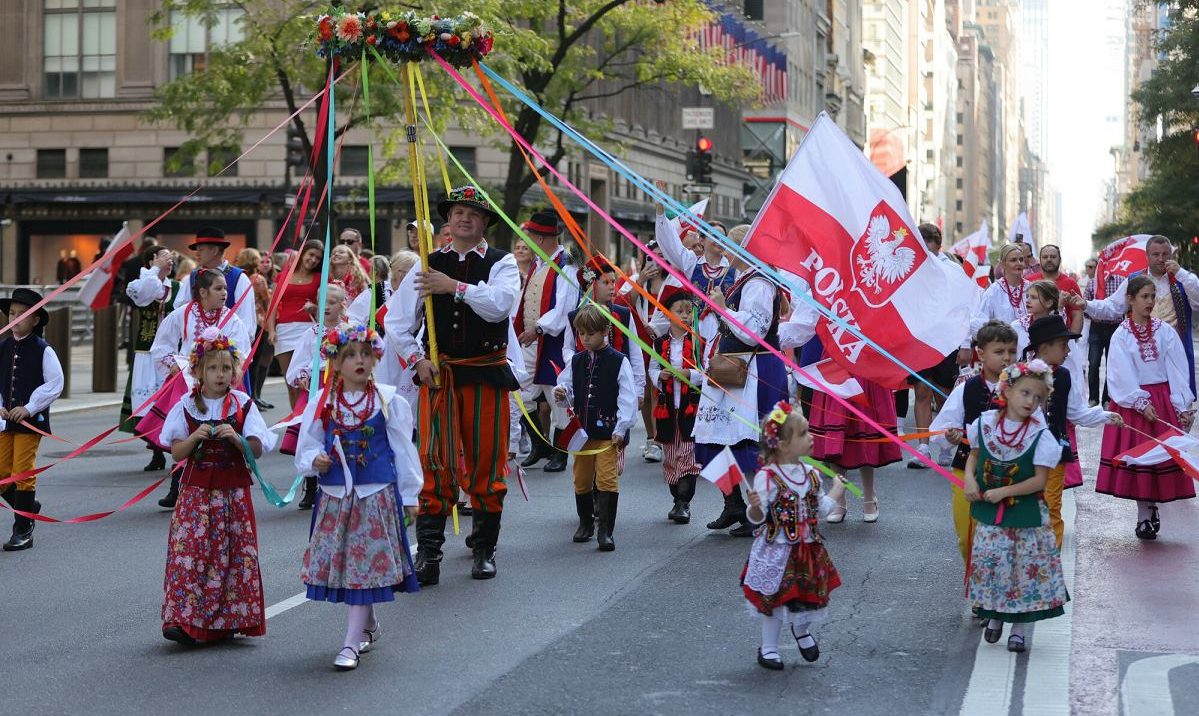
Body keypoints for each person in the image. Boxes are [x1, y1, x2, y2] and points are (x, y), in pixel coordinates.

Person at [387, 185, 521, 583]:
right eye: (458, 212)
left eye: (474, 214)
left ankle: (483, 550)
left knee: (486, 462)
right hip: (441, 377)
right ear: (448, 219)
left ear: (485, 223)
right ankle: (429, 556)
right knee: (434, 461)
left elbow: (499, 304)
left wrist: (454, 287)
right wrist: (416, 358)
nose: (464, 218)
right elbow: (396, 322)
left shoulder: (503, 262)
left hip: (485, 375)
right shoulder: (425, 264)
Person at [294, 323, 422, 670]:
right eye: (350, 356)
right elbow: (306, 447)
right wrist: (315, 461)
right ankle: (367, 623)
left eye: (366, 354)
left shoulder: (386, 398)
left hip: (374, 494)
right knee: (350, 567)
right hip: (336, 495)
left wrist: (410, 493)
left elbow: (403, 449)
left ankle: (350, 645)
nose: (359, 361)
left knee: (363, 567)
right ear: (335, 363)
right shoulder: (324, 402)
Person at [158, 329, 274, 644]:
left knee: (231, 553)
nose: (220, 375)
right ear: (197, 371)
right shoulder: (186, 404)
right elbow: (176, 451)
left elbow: (259, 447)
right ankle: (183, 620)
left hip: (233, 492)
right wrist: (194, 438)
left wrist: (237, 439)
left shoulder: (242, 404)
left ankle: (225, 619)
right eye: (212, 368)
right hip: (196, 493)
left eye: (226, 368)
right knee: (192, 553)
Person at [963, 360, 1068, 653]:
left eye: (1037, 397)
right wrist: (970, 480)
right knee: (994, 564)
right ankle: (995, 615)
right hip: (991, 514)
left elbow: (1039, 482)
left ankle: (1020, 628)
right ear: (1007, 391)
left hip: (1026, 516)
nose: (1031, 401)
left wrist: (1004, 491)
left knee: (1024, 569)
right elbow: (974, 455)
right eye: (1025, 393)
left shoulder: (1041, 435)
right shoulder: (985, 423)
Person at [693, 225, 788, 538]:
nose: (721, 249)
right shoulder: (746, 279)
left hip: (755, 369)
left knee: (753, 441)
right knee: (714, 437)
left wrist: (722, 308)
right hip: (737, 367)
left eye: (726, 244)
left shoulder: (759, 282)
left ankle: (761, 509)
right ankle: (736, 501)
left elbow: (752, 332)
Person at [742, 402, 846, 670]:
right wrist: (753, 506)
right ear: (783, 445)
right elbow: (757, 517)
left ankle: (801, 631)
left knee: (809, 595)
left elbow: (821, 508)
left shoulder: (810, 474)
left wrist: (836, 490)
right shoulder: (767, 477)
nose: (811, 437)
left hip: (808, 549)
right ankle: (769, 648)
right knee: (774, 600)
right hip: (777, 551)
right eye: (803, 434)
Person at [141, 268, 253, 508]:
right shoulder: (183, 314)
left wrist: (226, 369)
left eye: (225, 288)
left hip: (221, 384)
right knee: (186, 431)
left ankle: (226, 481)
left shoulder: (232, 319)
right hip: (187, 381)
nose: (225, 293)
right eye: (218, 288)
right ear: (203, 291)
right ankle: (177, 483)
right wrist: (173, 365)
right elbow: (161, 345)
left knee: (220, 432)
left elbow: (241, 352)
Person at [1094, 274, 1196, 539]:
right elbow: (1119, 372)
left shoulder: (1164, 330)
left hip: (1162, 398)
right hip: (1134, 402)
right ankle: (1144, 514)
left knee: (1158, 459)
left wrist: (1182, 403)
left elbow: (1177, 367)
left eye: (1153, 296)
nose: (1150, 301)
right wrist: (1138, 401)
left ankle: (1152, 509)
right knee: (1140, 457)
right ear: (1130, 300)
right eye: (1144, 296)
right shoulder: (1121, 335)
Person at [1026, 315, 1123, 547]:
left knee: (1051, 508)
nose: (1068, 351)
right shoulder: (1019, 375)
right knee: (1027, 509)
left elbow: (1075, 413)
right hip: (1025, 455)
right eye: (1063, 345)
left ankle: (1051, 570)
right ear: (1044, 347)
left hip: (1055, 454)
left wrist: (1106, 416)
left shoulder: (1063, 375)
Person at [929, 320, 1018, 567]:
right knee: (967, 537)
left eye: (1012, 351)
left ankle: (995, 586)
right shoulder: (966, 389)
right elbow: (939, 428)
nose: (1007, 358)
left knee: (1006, 534)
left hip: (1011, 473)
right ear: (981, 353)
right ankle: (978, 578)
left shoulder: (1024, 388)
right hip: (966, 471)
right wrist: (950, 435)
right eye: (999, 352)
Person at [553, 304, 638, 550]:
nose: (585, 339)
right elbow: (566, 386)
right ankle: (585, 523)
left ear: (605, 331)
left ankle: (605, 530)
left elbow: (627, 397)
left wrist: (621, 428)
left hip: (608, 433)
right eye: (581, 334)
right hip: (582, 432)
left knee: (607, 478)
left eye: (590, 333)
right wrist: (562, 392)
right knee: (581, 478)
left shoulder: (619, 361)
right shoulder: (577, 361)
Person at [1080, 235, 1199, 394]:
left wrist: (1181, 273)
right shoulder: (1135, 279)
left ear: (1171, 255)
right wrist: (1086, 305)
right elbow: (1113, 307)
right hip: (1141, 354)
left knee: (1178, 404)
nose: (1161, 259)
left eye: (1165, 254)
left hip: (1175, 355)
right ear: (1147, 256)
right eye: (1156, 254)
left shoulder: (1183, 280)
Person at [0, 288, 64, 551]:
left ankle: (23, 528)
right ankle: (29, 506)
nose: (14, 318)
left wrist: (28, 407)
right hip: (5, 422)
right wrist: (1, 407)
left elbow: (55, 383)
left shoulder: (43, 349)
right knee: (2, 474)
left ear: (35, 319)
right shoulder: (2, 346)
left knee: (22, 472)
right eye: (11, 313)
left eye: (22, 314)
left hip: (29, 421)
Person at [514, 210, 578, 473]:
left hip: (553, 340)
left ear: (540, 239)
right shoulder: (540, 263)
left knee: (557, 394)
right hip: (532, 340)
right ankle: (541, 445)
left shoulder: (567, 265)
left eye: (528, 235)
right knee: (519, 390)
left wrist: (538, 329)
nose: (525, 241)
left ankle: (560, 453)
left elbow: (564, 309)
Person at [282, 284, 349, 512]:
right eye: (323, 303)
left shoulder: (350, 332)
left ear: (342, 306)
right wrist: (302, 375)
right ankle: (310, 485)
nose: (326, 307)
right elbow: (297, 364)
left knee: (338, 431)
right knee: (311, 432)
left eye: (331, 303)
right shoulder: (311, 334)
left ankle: (341, 479)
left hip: (340, 386)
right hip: (315, 388)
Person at [907, 223, 962, 468]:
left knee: (943, 395)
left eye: (929, 248)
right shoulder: (910, 267)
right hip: (919, 339)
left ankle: (945, 444)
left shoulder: (951, 269)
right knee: (921, 391)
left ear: (939, 246)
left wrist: (966, 342)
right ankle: (922, 447)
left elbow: (963, 303)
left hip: (945, 339)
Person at [122, 245, 180, 474]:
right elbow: (145, 296)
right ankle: (155, 451)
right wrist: (154, 270)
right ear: (152, 260)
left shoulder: (178, 287)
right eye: (165, 256)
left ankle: (168, 446)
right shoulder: (139, 284)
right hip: (147, 352)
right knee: (148, 401)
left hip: (170, 352)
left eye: (171, 256)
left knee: (168, 400)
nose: (170, 260)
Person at [649, 287, 704, 524]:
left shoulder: (698, 342)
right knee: (671, 455)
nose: (684, 316)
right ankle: (676, 499)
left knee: (689, 456)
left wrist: (689, 374)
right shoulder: (660, 343)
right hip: (668, 407)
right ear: (667, 314)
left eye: (688, 311)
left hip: (691, 406)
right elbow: (652, 368)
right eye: (679, 311)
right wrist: (658, 376)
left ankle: (684, 503)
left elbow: (706, 372)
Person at [562, 255, 646, 402]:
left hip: (618, 383)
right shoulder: (575, 316)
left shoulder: (623, 314)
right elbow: (567, 347)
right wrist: (575, 361)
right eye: (606, 282)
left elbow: (635, 351)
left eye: (613, 281)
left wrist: (639, 389)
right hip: (587, 381)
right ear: (591, 285)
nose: (612, 286)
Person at [172, 227, 257, 348]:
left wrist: (232, 352)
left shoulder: (239, 279)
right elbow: (179, 313)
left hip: (227, 352)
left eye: (201, 249)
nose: (197, 254)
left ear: (214, 250)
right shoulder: (192, 278)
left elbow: (246, 323)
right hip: (195, 354)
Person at [272, 240, 323, 409]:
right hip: (284, 330)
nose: (313, 259)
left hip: (308, 329)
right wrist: (271, 331)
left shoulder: (320, 278)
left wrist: (315, 308)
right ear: (303, 254)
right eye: (311, 255)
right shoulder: (282, 276)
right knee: (290, 380)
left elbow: (325, 306)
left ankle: (306, 418)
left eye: (318, 257)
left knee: (306, 379)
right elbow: (272, 305)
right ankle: (295, 420)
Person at [960, 243, 1028, 366]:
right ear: (1003, 264)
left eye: (1021, 259)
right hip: (1004, 354)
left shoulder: (1031, 288)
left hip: (1029, 353)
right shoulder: (994, 291)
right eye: (1013, 260)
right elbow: (979, 322)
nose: (1018, 263)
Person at [235, 247, 273, 410]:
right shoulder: (257, 279)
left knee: (247, 362)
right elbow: (267, 301)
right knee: (256, 361)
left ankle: (252, 395)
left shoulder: (239, 277)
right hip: (259, 322)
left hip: (243, 322)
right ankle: (255, 396)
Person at [1026, 244, 1082, 327]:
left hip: (1062, 336)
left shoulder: (1071, 283)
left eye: (1053, 257)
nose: (1049, 259)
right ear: (1040, 260)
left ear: (1059, 259)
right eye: (1045, 257)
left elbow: (1077, 313)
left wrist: (1072, 337)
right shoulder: (1028, 281)